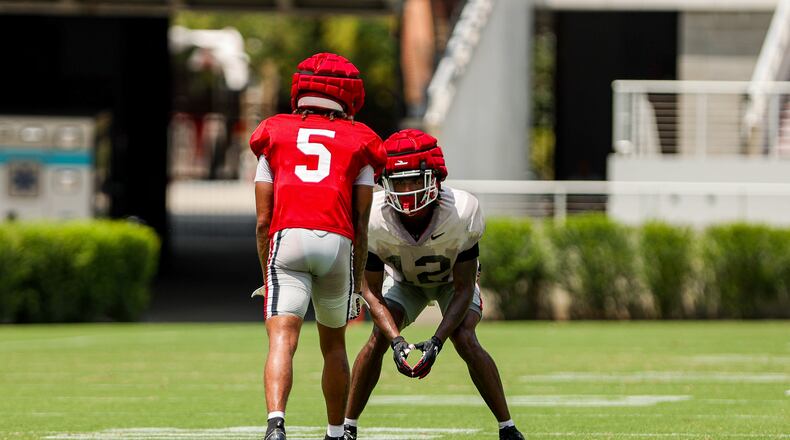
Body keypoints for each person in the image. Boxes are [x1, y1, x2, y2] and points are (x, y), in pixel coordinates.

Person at [250, 53, 408, 440]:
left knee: (282, 340)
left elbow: (262, 222)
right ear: (349, 96)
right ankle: (337, 432)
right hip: (337, 241)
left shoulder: (273, 132)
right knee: (333, 345)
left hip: (287, 239)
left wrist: (266, 274)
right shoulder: (362, 140)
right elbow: (361, 223)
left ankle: (276, 424)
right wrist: (357, 283)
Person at [343, 129, 526, 440]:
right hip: (404, 283)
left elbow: (465, 286)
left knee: (464, 336)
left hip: (450, 284)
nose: (407, 190)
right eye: (399, 182)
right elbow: (370, 292)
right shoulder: (373, 216)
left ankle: (507, 428)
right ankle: (347, 427)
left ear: (435, 177)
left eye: (415, 180)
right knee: (378, 340)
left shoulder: (461, 211)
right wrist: (398, 341)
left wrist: (437, 340)